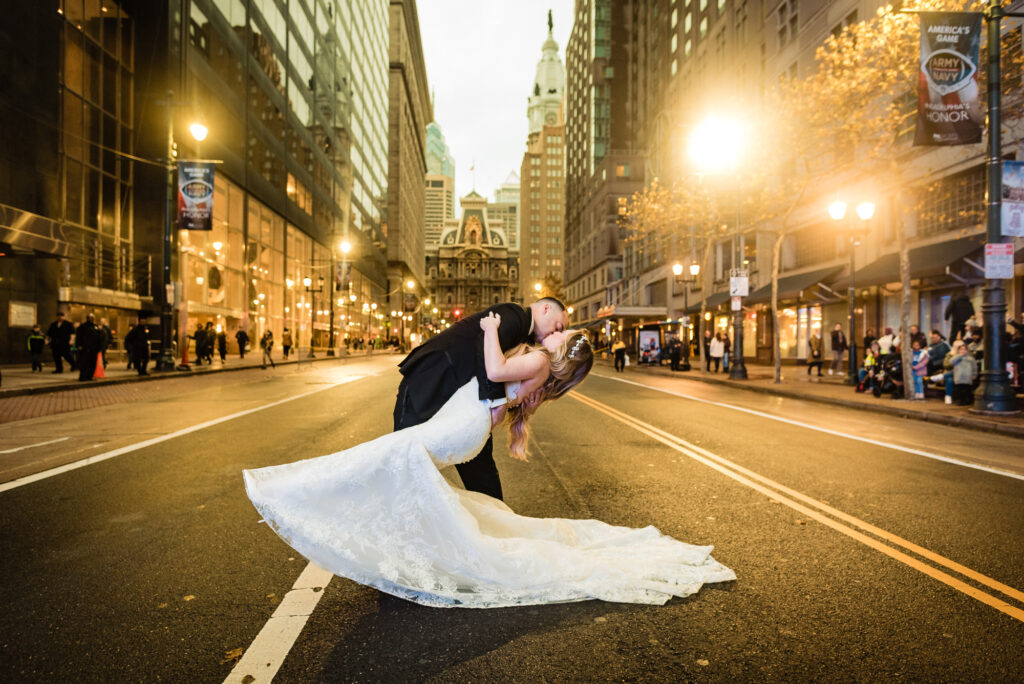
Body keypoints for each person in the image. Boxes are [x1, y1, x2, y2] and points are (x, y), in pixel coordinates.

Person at [243, 312, 735, 609]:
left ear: (563, 351)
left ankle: (294, 494)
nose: (555, 332)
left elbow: (496, 367)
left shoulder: (539, 362)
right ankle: (367, 526)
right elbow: (501, 394)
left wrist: (490, 327)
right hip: (467, 425)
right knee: (391, 462)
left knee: (387, 458)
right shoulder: (543, 372)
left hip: (463, 426)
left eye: (562, 334)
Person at [393, 297, 568, 501]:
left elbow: (502, 383)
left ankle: (495, 522)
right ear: (546, 309)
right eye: (558, 327)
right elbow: (485, 355)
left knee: (481, 473)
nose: (556, 334)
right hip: (428, 381)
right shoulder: (514, 314)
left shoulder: (525, 338)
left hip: (466, 406)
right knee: (404, 456)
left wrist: (522, 403)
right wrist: (498, 403)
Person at [75, 313, 101, 382]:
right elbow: (78, 337)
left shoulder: (95, 327)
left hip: (94, 348)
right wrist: (79, 345)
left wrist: (99, 347)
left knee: (92, 363)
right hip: (85, 348)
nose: (91, 319)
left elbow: (99, 337)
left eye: (92, 318)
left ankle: (90, 376)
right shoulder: (82, 327)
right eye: (89, 318)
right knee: (84, 363)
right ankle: (83, 376)